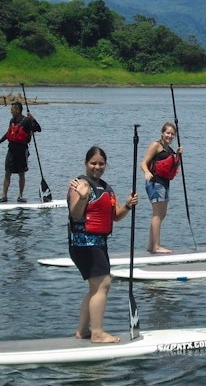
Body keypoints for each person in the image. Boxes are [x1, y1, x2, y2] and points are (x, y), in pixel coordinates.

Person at [67, 146, 138, 343]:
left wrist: (127, 206)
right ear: (86, 163)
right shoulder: (79, 184)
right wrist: (82, 196)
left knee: (95, 288)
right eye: (93, 163)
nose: (97, 167)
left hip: (99, 243)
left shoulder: (106, 188)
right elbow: (75, 214)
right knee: (103, 285)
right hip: (83, 243)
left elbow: (115, 217)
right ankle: (97, 333)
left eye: (101, 163)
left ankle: (83, 331)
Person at [140, 122, 182, 253]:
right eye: (167, 133)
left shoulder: (170, 150)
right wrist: (146, 172)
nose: (170, 136)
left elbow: (171, 166)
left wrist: (179, 156)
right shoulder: (156, 145)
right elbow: (143, 162)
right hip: (155, 182)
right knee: (158, 214)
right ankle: (156, 246)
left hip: (164, 183)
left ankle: (151, 245)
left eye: (172, 134)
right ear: (162, 133)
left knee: (161, 214)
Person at [0, 102, 41, 203]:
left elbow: (38, 129)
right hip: (11, 150)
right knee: (7, 172)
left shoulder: (26, 121)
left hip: (22, 150)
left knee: (21, 173)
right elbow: (8, 133)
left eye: (12, 109)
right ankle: (4, 196)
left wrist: (33, 119)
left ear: (18, 110)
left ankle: (20, 196)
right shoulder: (12, 121)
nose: (10, 111)